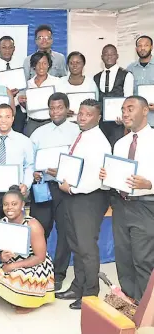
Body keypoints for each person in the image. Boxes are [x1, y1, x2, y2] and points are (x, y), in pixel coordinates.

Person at [55, 99, 111, 310]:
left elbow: (95, 177)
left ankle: (90, 293)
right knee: (76, 245)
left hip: (89, 197)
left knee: (86, 247)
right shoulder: (82, 136)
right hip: (75, 196)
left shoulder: (99, 141)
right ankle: (77, 286)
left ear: (98, 117)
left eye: (88, 114)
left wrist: (71, 188)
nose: (82, 117)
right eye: (80, 113)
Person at [101, 96, 154, 301]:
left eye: (130, 108)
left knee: (143, 260)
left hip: (145, 206)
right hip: (121, 206)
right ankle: (130, 302)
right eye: (123, 109)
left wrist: (150, 184)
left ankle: (146, 311)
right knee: (123, 258)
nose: (125, 113)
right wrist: (108, 177)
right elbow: (119, 177)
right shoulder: (121, 143)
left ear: (145, 111)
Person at [29, 93, 79, 292]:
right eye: (52, 108)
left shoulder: (77, 131)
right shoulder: (38, 133)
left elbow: (79, 161)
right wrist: (34, 173)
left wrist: (63, 171)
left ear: (67, 109)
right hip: (42, 188)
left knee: (65, 232)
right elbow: (30, 160)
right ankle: (36, 269)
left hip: (64, 189)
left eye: (59, 108)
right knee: (39, 229)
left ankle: (58, 274)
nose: (55, 112)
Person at [0, 185, 55, 313]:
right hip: (12, 261)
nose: (9, 208)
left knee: (20, 278)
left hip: (34, 264)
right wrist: (2, 257)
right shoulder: (1, 223)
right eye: (6, 204)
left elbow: (40, 257)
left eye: (14, 204)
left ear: (22, 204)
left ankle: (31, 301)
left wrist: (13, 266)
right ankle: (18, 295)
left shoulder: (33, 225)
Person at [95, 44, 134, 147]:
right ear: (101, 57)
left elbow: (129, 99)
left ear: (117, 56)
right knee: (102, 150)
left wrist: (125, 117)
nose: (109, 57)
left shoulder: (126, 75)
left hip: (119, 123)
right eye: (106, 54)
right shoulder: (96, 77)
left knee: (118, 151)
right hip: (100, 124)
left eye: (112, 54)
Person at [19, 51, 62, 136]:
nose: (41, 66)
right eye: (37, 63)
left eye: (44, 63)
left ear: (49, 65)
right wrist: (23, 103)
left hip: (50, 122)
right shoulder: (28, 84)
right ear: (33, 66)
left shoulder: (57, 82)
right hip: (32, 123)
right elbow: (25, 109)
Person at [0, 36, 26, 134]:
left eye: (10, 47)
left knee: (18, 137)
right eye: (4, 47)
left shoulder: (21, 64)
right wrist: (7, 93)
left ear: (14, 48)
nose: (7, 50)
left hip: (18, 108)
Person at [58, 52, 99, 123]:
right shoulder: (60, 82)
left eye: (78, 62)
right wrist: (62, 111)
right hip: (65, 123)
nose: (74, 65)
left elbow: (95, 105)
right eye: (71, 63)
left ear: (83, 64)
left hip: (86, 123)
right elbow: (55, 103)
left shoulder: (90, 83)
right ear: (67, 65)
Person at [126, 36, 154, 125]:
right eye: (139, 45)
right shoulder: (130, 69)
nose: (142, 48)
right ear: (136, 48)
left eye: (146, 45)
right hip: (136, 122)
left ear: (152, 47)